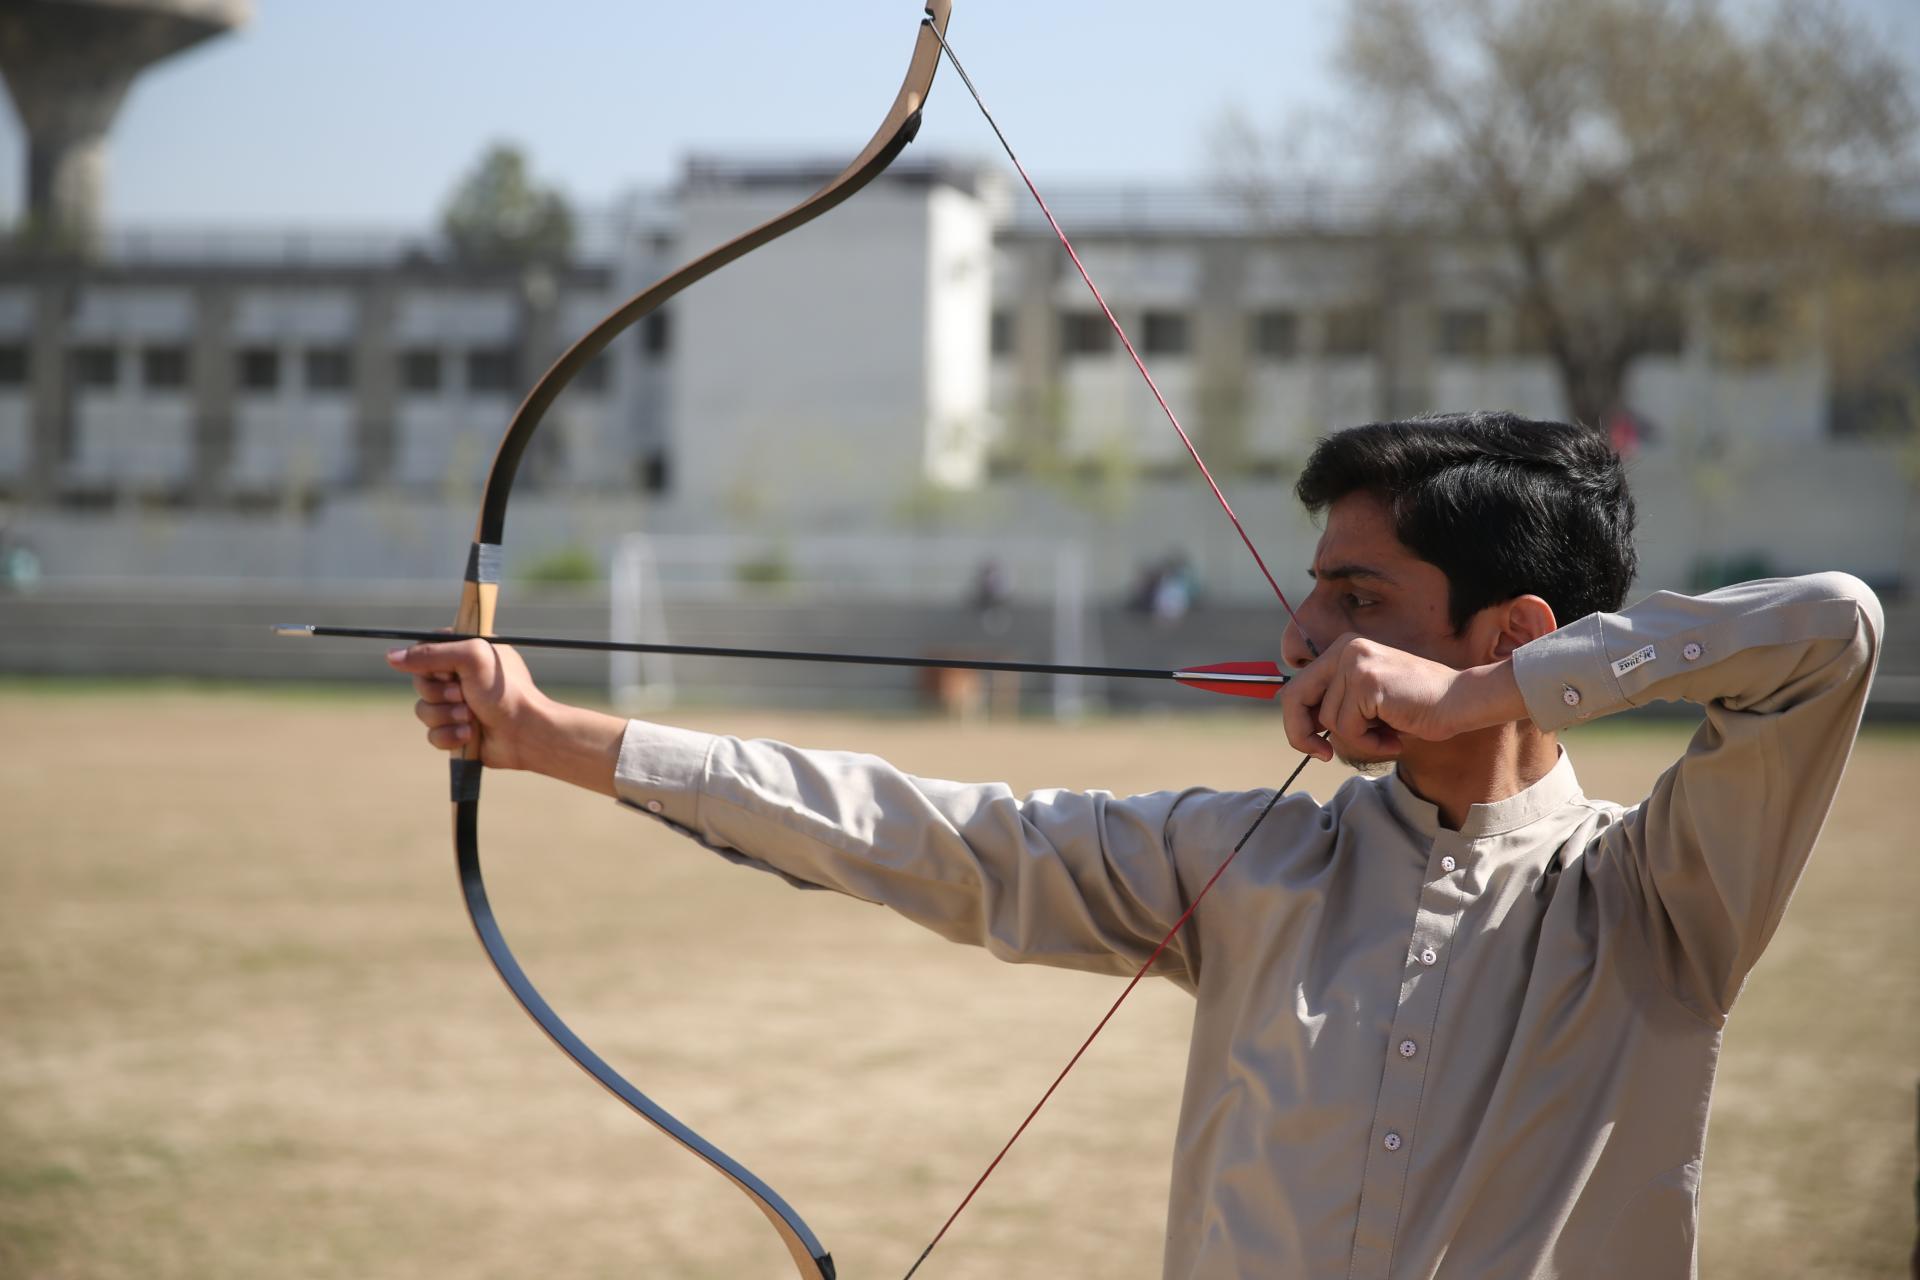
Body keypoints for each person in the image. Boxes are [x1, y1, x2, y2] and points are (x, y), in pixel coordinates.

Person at [388, 411, 1881, 1279]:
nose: (1304, 634)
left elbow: (1833, 632)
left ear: (1512, 633)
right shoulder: (1250, 863)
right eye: (1313, 593)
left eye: (1359, 600)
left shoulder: (1658, 896)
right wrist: (544, 734)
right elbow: (938, 836)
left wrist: (1482, 698)